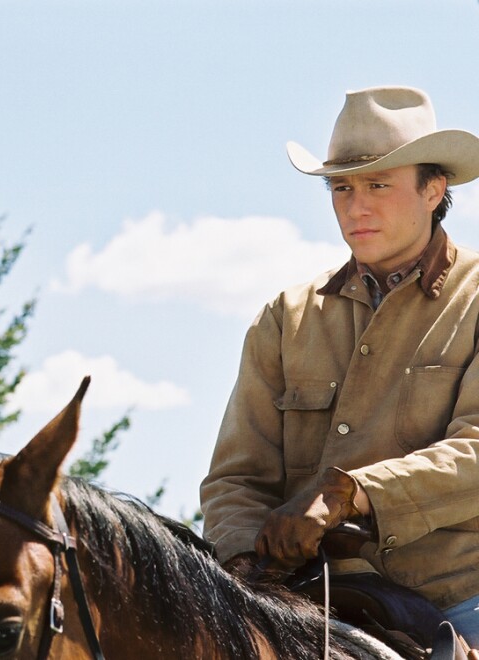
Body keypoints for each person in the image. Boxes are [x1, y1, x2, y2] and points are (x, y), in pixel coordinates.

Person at [200, 85, 479, 646]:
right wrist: (240, 563)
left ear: (434, 189)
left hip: (455, 597)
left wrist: (352, 494)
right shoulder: (287, 317)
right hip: (300, 601)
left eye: (379, 184)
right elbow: (236, 480)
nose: (356, 207)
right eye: (341, 187)